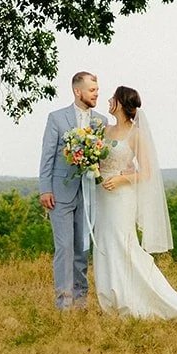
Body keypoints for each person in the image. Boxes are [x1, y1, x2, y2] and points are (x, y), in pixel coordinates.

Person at [92, 84, 177, 323]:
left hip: (121, 197)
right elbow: (98, 160)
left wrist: (121, 179)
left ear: (121, 103)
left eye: (112, 98)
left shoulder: (136, 134)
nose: (108, 101)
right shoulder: (104, 130)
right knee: (105, 244)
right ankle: (111, 300)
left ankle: (161, 302)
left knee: (124, 246)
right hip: (101, 195)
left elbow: (146, 173)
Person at [39, 71, 107, 310]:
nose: (96, 94)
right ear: (78, 91)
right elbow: (47, 156)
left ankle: (81, 301)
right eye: (92, 90)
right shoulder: (56, 118)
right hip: (60, 193)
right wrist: (45, 188)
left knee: (82, 248)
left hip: (89, 193)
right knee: (65, 248)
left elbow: (102, 160)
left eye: (97, 90)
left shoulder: (101, 121)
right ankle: (64, 303)